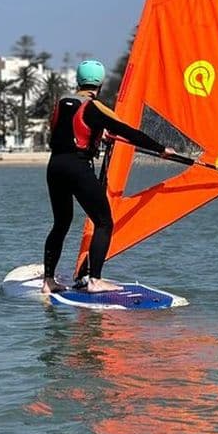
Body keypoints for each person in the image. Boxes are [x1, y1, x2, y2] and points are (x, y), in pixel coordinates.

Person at [42, 59, 174, 294]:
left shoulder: (61, 102)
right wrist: (160, 148)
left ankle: (48, 281)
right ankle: (95, 280)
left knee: (61, 223)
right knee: (103, 222)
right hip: (77, 167)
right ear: (99, 83)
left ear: (78, 81)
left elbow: (66, 128)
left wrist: (96, 134)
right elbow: (127, 132)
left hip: (55, 166)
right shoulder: (96, 108)